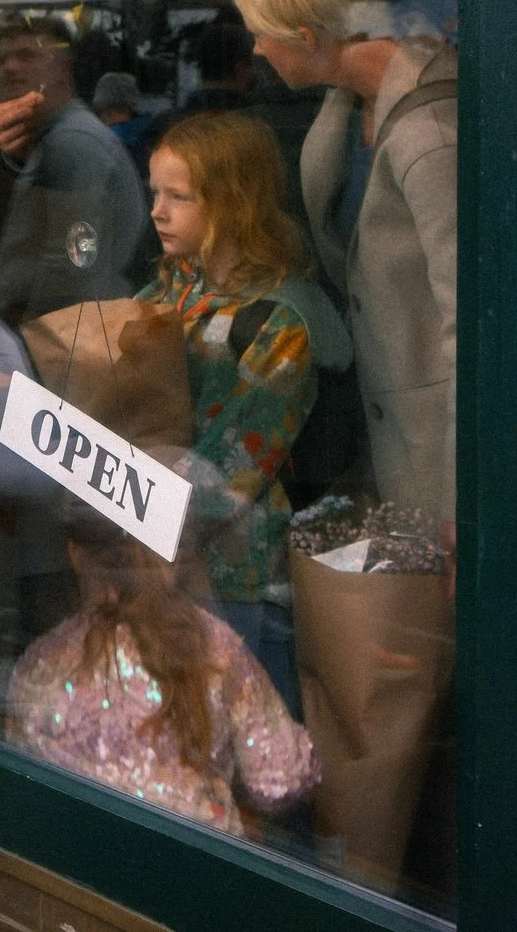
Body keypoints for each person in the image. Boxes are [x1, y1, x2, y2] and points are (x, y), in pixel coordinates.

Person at [235, 0, 458, 532]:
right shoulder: (347, 106)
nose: (254, 48)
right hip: (384, 437)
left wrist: (469, 499)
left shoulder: (430, 134)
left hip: (439, 458)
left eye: (260, 31)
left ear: (306, 38)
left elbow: (472, 330)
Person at [137, 113, 349, 711]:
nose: (157, 211)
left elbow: (237, 462)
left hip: (239, 576)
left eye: (179, 197)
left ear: (234, 204)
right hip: (157, 551)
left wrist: (143, 519)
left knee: (255, 756)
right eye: (155, 192)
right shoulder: (168, 290)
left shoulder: (281, 319)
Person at [7, 512, 318, 838]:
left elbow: (23, 792)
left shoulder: (41, 662)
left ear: (75, 555)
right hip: (196, 868)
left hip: (73, 869)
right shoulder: (215, 649)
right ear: (172, 557)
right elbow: (280, 780)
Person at [0, 16, 150, 319]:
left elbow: (72, 266)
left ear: (62, 69)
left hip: (66, 332)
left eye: (26, 55)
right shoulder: (55, 136)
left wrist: (21, 324)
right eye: (2, 58)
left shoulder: (72, 143)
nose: (9, 67)